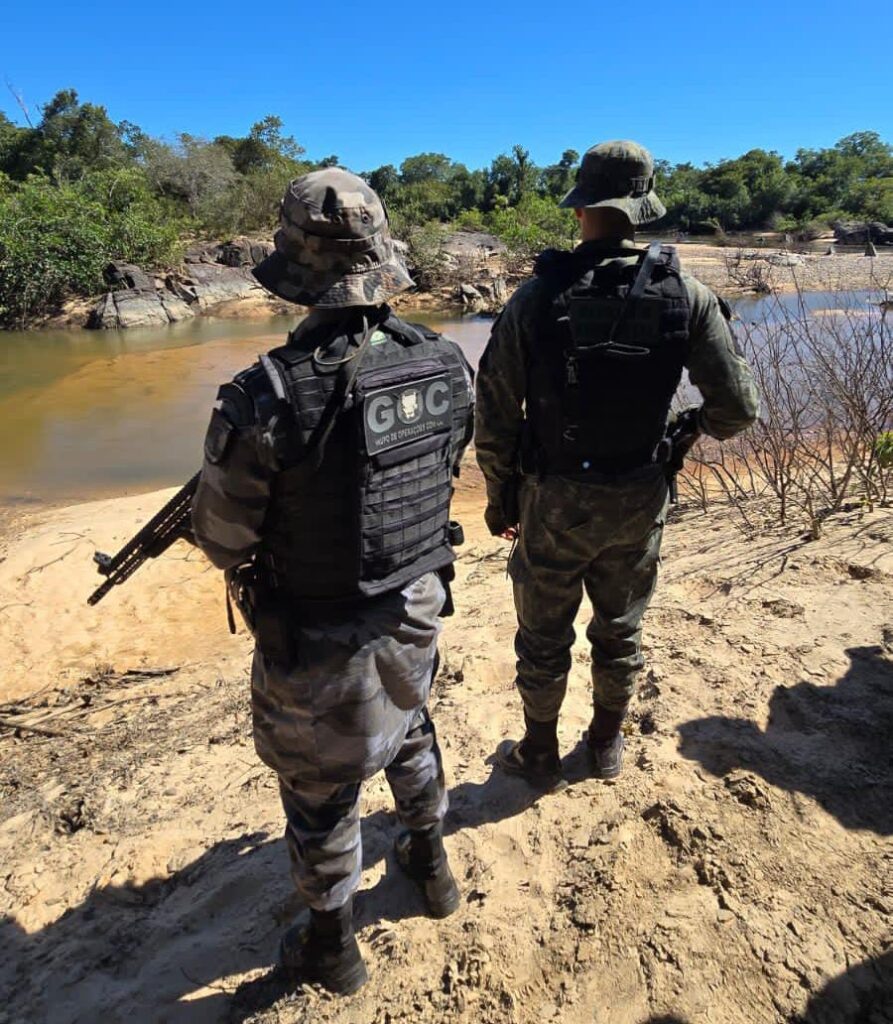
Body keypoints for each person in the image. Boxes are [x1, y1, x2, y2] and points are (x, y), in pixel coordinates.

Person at [191, 169, 474, 995]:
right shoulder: (444, 363)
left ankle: (331, 945)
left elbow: (222, 539)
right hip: (419, 596)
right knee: (412, 727)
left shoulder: (264, 395)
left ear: (297, 267)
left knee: (320, 790)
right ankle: (431, 867)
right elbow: (439, 469)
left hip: (318, 630)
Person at [475, 140, 759, 789]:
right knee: (620, 627)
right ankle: (604, 745)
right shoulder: (685, 294)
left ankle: (540, 751)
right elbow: (738, 408)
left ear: (581, 210)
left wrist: (500, 497)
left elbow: (492, 413)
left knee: (543, 636)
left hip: (551, 498)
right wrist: (687, 431)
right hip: (638, 491)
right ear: (642, 209)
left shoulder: (536, 297)